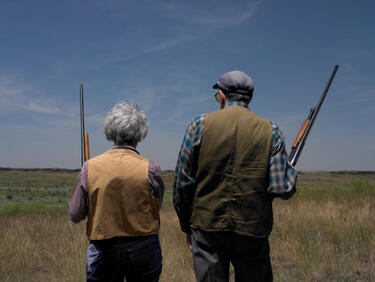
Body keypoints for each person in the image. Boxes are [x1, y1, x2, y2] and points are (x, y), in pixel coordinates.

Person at [173, 70, 297, 282]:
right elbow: (282, 188)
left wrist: (187, 226)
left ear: (222, 96)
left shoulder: (198, 124)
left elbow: (182, 183)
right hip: (252, 231)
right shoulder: (272, 130)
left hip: (206, 228)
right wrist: (290, 169)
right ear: (249, 98)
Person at [69, 101, 164, 282]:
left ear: (111, 132)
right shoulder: (152, 169)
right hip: (144, 248)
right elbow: (155, 206)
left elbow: (75, 214)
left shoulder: (90, 167)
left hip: (103, 250)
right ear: (140, 133)